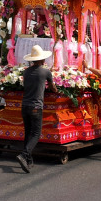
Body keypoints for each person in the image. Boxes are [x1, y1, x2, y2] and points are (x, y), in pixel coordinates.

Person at [17, 45, 58, 173]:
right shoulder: (45, 72)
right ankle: (24, 154)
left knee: (28, 132)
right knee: (36, 133)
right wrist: (56, 90)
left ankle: (28, 160)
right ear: (42, 60)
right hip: (36, 106)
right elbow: (53, 88)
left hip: (25, 106)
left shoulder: (26, 71)